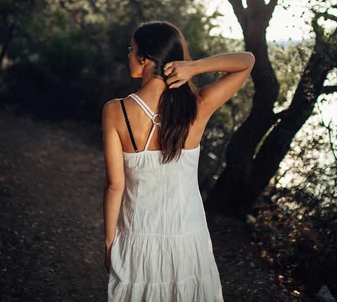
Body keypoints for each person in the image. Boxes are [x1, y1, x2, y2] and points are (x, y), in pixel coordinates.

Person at [102, 21, 255, 301]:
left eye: (131, 49)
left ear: (145, 58)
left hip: (138, 236)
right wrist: (194, 67)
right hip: (189, 236)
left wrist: (110, 242)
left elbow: (115, 185)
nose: (128, 55)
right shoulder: (198, 106)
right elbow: (246, 61)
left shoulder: (116, 111)